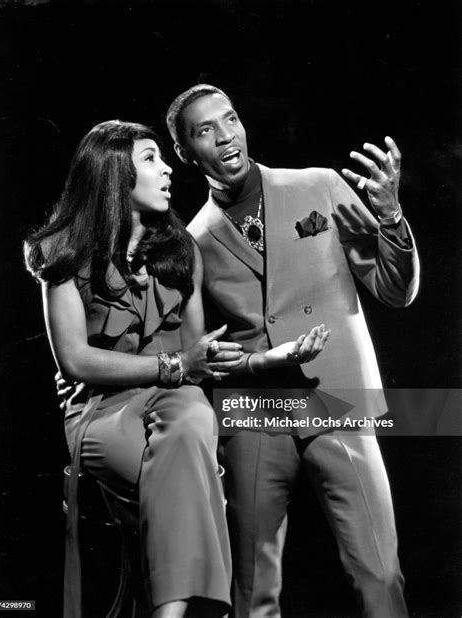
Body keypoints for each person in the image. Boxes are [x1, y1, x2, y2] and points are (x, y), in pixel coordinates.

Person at [25, 119, 330, 618]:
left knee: (190, 415)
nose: (168, 168)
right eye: (150, 159)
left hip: (174, 399)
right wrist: (174, 366)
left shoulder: (180, 250)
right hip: (101, 411)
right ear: (114, 175)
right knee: (188, 468)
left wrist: (264, 361)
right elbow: (75, 360)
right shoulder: (61, 252)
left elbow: (197, 358)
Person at [165, 84, 420, 617]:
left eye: (229, 118)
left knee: (378, 572)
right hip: (255, 418)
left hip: (339, 404)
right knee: (253, 589)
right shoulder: (194, 240)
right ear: (186, 153)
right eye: (204, 130)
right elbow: (198, 351)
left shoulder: (319, 185)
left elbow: (396, 290)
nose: (225, 134)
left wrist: (392, 216)